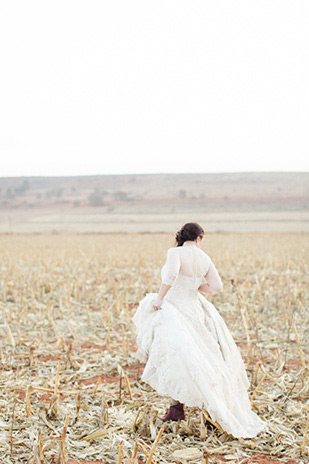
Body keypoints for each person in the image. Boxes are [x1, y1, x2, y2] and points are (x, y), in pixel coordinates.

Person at [132, 223, 268, 438]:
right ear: (199, 239)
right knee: (202, 358)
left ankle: (176, 409)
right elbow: (217, 287)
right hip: (196, 310)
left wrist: (159, 299)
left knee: (176, 358)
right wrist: (195, 286)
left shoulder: (175, 252)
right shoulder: (204, 257)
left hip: (174, 309)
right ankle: (208, 412)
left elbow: (170, 276)